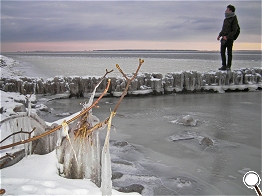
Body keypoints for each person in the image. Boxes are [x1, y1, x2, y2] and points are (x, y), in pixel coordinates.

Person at [217, 4, 239, 71]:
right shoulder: (225, 19)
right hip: (223, 38)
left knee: (229, 53)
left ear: (230, 10)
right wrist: (219, 35)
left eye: (227, 9)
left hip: (229, 38)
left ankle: (228, 66)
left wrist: (228, 36)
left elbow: (234, 30)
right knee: (222, 52)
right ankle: (223, 65)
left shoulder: (234, 19)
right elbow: (223, 29)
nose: (226, 11)